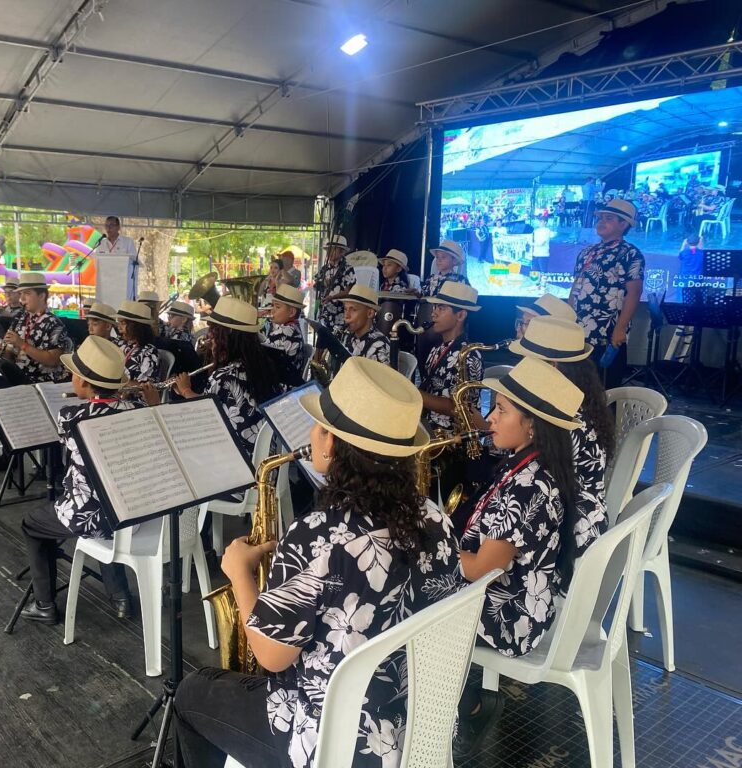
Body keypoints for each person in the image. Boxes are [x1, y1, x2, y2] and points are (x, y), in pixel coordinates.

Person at [172, 357, 461, 768]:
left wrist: (238, 572)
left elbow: (272, 658)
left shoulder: (318, 533)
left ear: (331, 444)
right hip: (418, 724)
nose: (312, 434)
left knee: (192, 694)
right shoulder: (436, 518)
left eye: (320, 426)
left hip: (334, 743)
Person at [453, 357, 583, 756]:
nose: (489, 418)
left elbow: (477, 569)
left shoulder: (528, 488)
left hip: (511, 617)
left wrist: (436, 548)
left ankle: (465, 707)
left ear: (532, 425)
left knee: (403, 603)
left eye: (501, 410)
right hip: (520, 598)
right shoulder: (530, 467)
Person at [19, 336, 139, 622]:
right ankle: (120, 597)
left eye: (74, 374)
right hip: (131, 511)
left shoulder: (70, 415)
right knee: (107, 519)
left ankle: (44, 604)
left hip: (90, 515)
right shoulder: (138, 409)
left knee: (32, 525)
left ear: (83, 383)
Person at [508, 317, 614, 558]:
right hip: (569, 522)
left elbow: (533, 491)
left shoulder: (566, 422)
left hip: (566, 538)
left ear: (552, 367)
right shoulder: (581, 405)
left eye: (528, 361)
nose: (520, 367)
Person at [0, 272, 72, 471]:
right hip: (18, 377)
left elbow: (52, 360)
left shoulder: (54, 324)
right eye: (21, 294)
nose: (22, 299)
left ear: (42, 295)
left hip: (42, 382)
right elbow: (10, 355)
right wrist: (2, 353)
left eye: (27, 294)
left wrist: (22, 344)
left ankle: (11, 457)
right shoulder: (21, 320)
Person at [168, 296, 283, 451]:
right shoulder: (266, 366)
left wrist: (185, 390)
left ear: (227, 335)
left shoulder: (223, 377)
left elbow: (201, 418)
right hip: (267, 459)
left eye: (214, 331)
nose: (210, 337)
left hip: (237, 462)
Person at [568, 198, 644, 388]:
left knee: (605, 389)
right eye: (600, 218)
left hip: (607, 333)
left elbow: (634, 293)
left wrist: (620, 329)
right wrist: (567, 318)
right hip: (578, 331)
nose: (601, 222)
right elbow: (576, 285)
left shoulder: (630, 254)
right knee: (576, 387)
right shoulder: (587, 252)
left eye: (608, 218)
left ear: (624, 224)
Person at [419, 282, 483, 434]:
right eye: (435, 307)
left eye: (441, 308)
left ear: (460, 315)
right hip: (429, 425)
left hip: (451, 438)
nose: (433, 313)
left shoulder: (470, 355)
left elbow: (460, 408)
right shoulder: (438, 347)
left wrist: (414, 393)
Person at [313, 235, 355, 336]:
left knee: (335, 340)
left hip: (339, 312)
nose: (329, 252)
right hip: (324, 311)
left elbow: (349, 291)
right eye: (328, 250)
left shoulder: (347, 269)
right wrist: (323, 283)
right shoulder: (324, 269)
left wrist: (332, 297)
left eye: (333, 250)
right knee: (322, 339)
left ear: (342, 252)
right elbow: (316, 286)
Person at [262, 284, 307, 378]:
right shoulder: (294, 327)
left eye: (277, 307)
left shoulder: (285, 332)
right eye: (273, 305)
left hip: (282, 386)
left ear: (291, 312)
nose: (272, 311)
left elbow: (261, 356)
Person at [337, 285, 389, 365]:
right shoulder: (349, 337)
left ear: (370, 313)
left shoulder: (380, 346)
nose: (346, 316)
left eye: (353, 310)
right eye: (345, 309)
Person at [115, 300, 160, 384]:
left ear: (136, 326)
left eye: (123, 323)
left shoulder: (149, 352)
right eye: (119, 323)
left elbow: (144, 386)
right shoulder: (120, 343)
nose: (119, 327)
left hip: (129, 395)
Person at [95, 215, 139, 295]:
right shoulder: (101, 243)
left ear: (118, 227)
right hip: (106, 284)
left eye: (111, 225)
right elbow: (96, 262)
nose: (108, 228)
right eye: (107, 225)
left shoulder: (128, 242)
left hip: (123, 284)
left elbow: (134, 261)